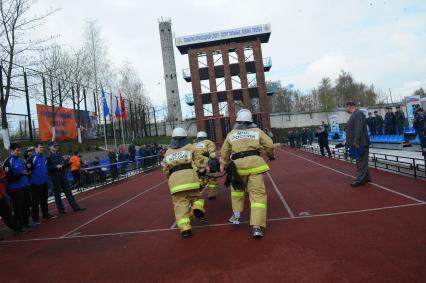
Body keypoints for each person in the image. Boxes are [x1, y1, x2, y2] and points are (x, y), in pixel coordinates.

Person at [221, 109, 275, 239]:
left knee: (237, 191)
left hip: (238, 167)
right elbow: (270, 144)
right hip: (255, 166)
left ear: (237, 121)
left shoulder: (231, 134)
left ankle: (236, 216)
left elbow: (224, 152)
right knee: (257, 196)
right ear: (251, 121)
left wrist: (228, 164)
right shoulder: (257, 132)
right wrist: (270, 155)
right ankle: (257, 226)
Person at [162, 127, 207, 238]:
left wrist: (171, 176)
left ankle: (185, 229)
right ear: (184, 137)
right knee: (197, 197)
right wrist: (202, 170)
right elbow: (199, 161)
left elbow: (165, 169)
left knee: (179, 205)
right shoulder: (190, 147)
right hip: (190, 178)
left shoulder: (168, 152)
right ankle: (197, 207)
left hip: (175, 182)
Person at [46, 141, 86, 214]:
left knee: (69, 192)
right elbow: (47, 167)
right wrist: (55, 166)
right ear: (50, 147)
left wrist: (66, 164)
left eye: (56, 146)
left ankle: (75, 207)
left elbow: (63, 163)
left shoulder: (60, 154)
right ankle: (61, 210)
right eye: (54, 146)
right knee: (57, 194)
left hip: (63, 175)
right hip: (55, 177)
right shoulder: (48, 156)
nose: (56, 147)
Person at [3, 143, 32, 227]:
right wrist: (21, 174)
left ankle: (26, 222)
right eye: (17, 150)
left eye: (20, 150)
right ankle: (20, 224)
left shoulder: (20, 160)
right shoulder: (8, 162)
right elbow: (8, 178)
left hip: (25, 186)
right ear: (11, 150)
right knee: (18, 207)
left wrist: (27, 173)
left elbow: (24, 172)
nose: (19, 152)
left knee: (26, 205)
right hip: (15, 189)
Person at [345, 101, 371, 187]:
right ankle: (366, 177)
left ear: (350, 106)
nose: (346, 109)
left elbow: (358, 129)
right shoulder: (354, 114)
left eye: (346, 107)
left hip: (360, 142)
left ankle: (360, 179)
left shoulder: (358, 113)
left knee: (361, 162)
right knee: (361, 161)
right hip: (357, 142)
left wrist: (355, 141)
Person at [0, 163, 30, 235]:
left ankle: (18, 228)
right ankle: (18, 228)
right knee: (7, 213)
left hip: (1, 195)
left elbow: (3, 176)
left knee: (7, 213)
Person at [30, 142, 55, 223]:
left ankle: (45, 214)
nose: (42, 149)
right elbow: (27, 171)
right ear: (36, 148)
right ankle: (35, 218)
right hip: (36, 184)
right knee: (35, 202)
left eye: (43, 147)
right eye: (40, 147)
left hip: (44, 182)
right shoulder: (32, 158)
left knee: (44, 200)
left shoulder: (44, 158)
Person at [193, 131, 218, 200]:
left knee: (199, 180)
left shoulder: (193, 144)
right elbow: (212, 154)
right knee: (212, 179)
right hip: (207, 165)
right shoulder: (209, 142)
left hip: (197, 166)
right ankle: (211, 194)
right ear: (205, 137)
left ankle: (197, 194)